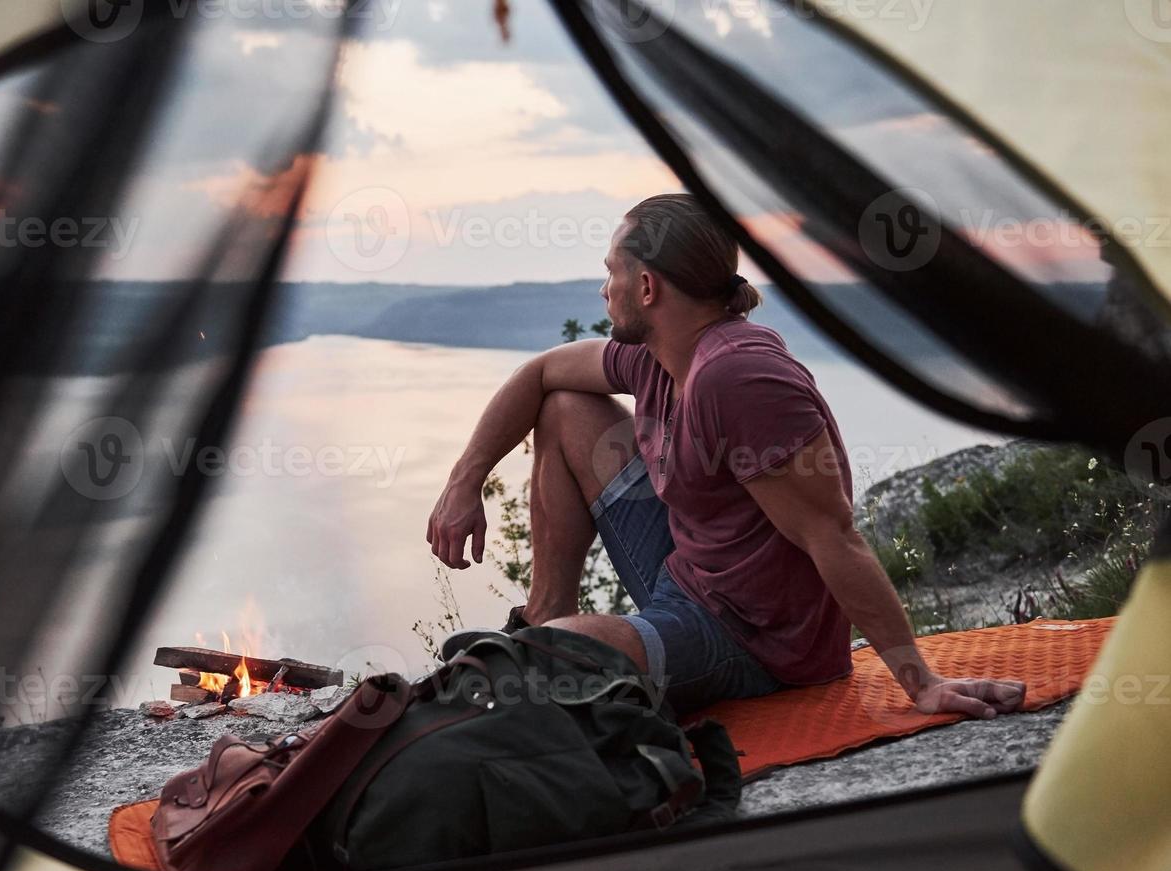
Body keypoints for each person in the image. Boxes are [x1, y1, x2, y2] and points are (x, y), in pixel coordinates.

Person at [427, 193, 1026, 719]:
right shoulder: (656, 354)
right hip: (691, 571)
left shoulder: (738, 378)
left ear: (646, 287)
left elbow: (833, 535)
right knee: (565, 407)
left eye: (611, 272)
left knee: (542, 662)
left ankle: (557, 635)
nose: (602, 288)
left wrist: (921, 683)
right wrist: (465, 480)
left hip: (752, 639)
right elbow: (539, 373)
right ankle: (545, 611)